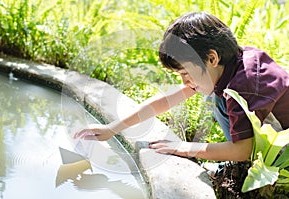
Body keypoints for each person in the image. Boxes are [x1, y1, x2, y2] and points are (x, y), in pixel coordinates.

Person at [74, 12, 289, 162]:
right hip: (267, 126)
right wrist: (112, 128)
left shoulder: (241, 87)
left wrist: (186, 148)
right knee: (215, 96)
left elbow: (243, 150)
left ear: (211, 58)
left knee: (221, 100)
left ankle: (257, 171)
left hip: (283, 149)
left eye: (185, 73)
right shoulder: (227, 66)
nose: (185, 82)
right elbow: (165, 101)